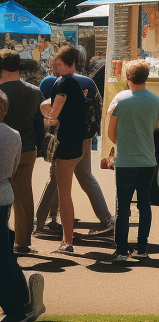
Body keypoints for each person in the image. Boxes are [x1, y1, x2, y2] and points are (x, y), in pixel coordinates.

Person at [35, 47, 112, 240]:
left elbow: (50, 111)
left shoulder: (53, 82)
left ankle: (44, 220)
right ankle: (104, 217)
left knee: (57, 179)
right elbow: (96, 107)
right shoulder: (88, 82)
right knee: (83, 176)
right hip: (84, 137)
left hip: (63, 136)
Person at [107, 59, 159, 262]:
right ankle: (142, 247)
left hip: (125, 160)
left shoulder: (120, 100)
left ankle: (122, 249)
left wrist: (123, 142)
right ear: (146, 78)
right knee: (144, 205)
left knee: (123, 206)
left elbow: (111, 134)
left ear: (127, 77)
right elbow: (157, 124)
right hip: (147, 159)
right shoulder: (156, 102)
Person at [38, 46, 95, 253]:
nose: (55, 65)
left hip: (66, 145)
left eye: (58, 63)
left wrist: (44, 114)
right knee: (66, 192)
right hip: (77, 143)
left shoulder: (62, 83)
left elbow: (53, 115)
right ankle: (66, 239)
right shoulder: (76, 84)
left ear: (67, 63)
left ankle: (67, 241)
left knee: (64, 195)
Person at [0, 90, 45, 322]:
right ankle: (21, 300)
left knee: (2, 255)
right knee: (5, 250)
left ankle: (14, 307)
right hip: (4, 193)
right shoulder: (13, 135)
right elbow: (14, 166)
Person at [0, 52, 45, 254]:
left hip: (3, 145)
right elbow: (38, 123)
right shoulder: (34, 91)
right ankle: (23, 241)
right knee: (24, 194)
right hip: (27, 147)